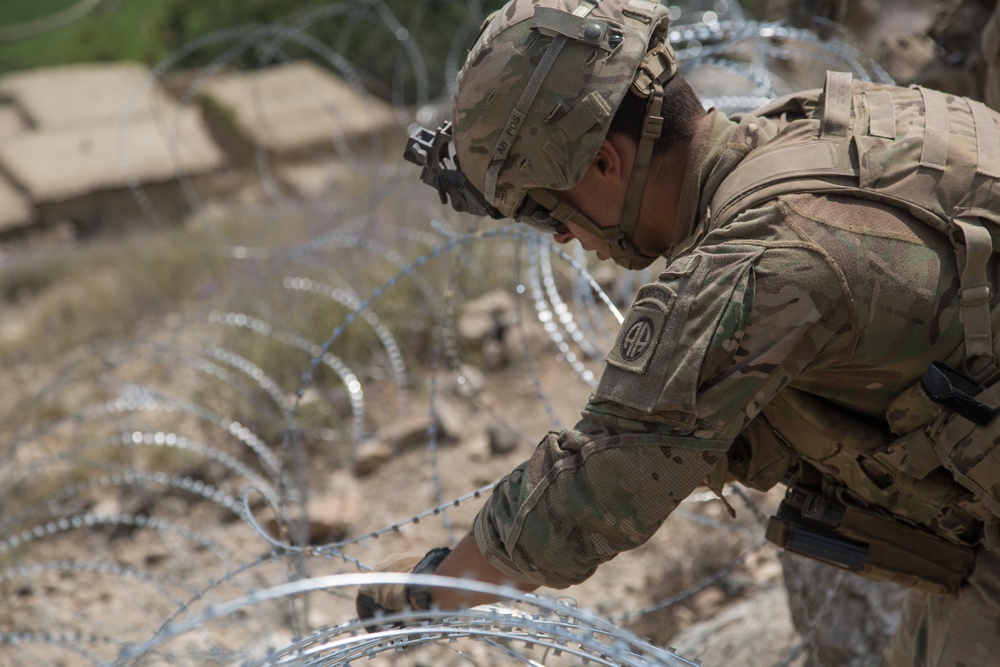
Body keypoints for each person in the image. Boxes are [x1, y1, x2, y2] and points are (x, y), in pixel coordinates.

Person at [357, 0, 1000, 664]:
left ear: (604, 163)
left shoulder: (749, 263)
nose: (567, 238)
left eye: (549, 214)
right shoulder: (832, 124)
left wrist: (432, 588)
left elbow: (600, 485)